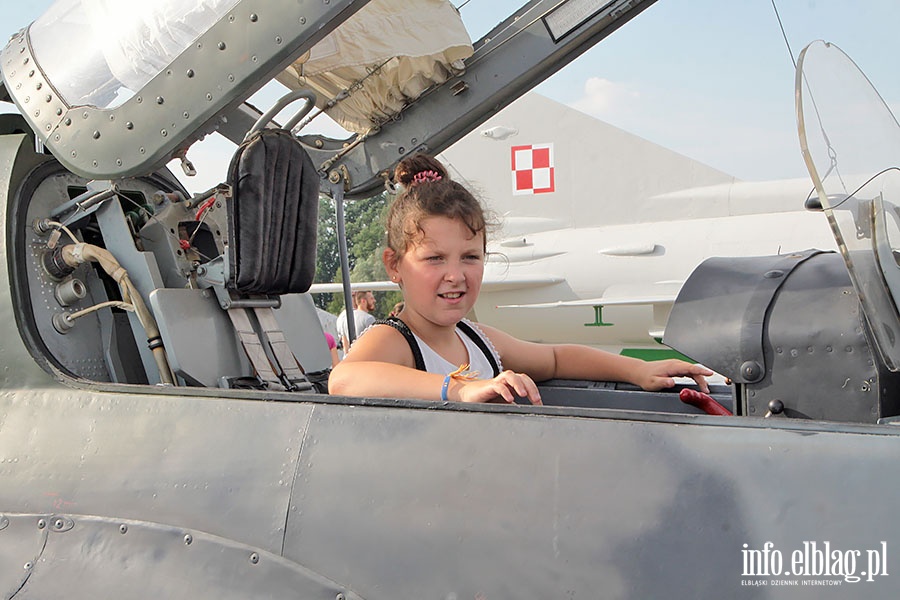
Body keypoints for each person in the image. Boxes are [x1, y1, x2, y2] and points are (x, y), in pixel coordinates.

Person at [328, 154, 711, 405]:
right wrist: (460, 389)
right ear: (394, 266)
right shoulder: (396, 340)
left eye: (470, 257)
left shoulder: (477, 338)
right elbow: (344, 380)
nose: (455, 275)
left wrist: (639, 370)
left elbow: (558, 358)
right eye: (434, 258)